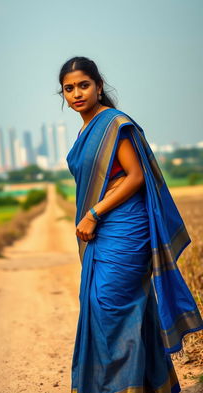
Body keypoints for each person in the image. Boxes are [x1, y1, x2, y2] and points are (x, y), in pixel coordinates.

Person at [58, 56, 203, 393]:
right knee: (104, 306)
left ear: (98, 86)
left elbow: (135, 176)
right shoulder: (86, 129)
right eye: (69, 88)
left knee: (111, 307)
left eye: (83, 85)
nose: (77, 93)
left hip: (125, 225)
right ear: (63, 94)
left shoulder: (113, 124)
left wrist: (93, 213)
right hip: (105, 228)